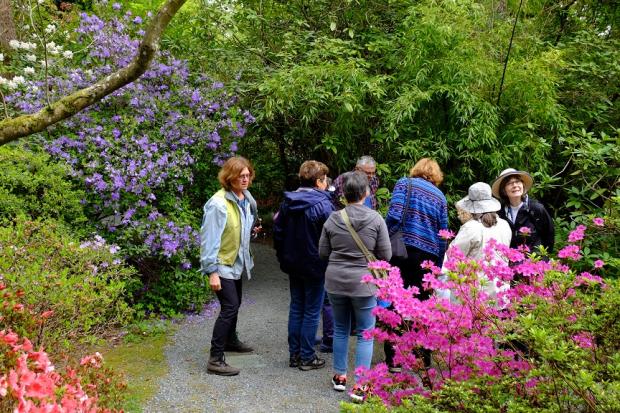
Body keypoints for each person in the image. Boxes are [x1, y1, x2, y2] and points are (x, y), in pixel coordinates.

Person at [319, 171, 392, 401]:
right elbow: (386, 254)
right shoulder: (376, 219)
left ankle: (340, 377)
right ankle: (361, 386)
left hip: (336, 281)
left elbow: (322, 252)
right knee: (365, 334)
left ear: (343, 194)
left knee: (341, 329)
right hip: (365, 284)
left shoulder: (333, 218)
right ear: (366, 192)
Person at [384, 158, 448, 372]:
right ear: (436, 175)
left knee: (397, 303)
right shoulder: (440, 196)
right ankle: (422, 358)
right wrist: (437, 264)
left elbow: (394, 215)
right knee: (422, 306)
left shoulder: (405, 183)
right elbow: (443, 233)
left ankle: (394, 361)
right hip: (427, 256)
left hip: (402, 251)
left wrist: (386, 239)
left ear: (417, 170)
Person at [200, 156, 259, 376]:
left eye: (247, 175)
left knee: (236, 303)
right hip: (221, 264)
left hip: (237, 263)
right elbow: (209, 239)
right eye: (240, 176)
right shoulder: (218, 204)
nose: (245, 179)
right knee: (230, 306)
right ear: (229, 177)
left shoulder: (246, 199)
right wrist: (212, 272)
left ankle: (230, 340)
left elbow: (239, 228)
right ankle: (215, 358)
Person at [273, 160, 335, 371]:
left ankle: (295, 355)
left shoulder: (287, 202)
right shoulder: (324, 205)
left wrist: (283, 257)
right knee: (311, 310)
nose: (326, 183)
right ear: (318, 181)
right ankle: (307, 356)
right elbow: (332, 236)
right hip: (315, 265)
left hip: (293, 263)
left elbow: (278, 232)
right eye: (325, 179)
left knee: (296, 307)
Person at [440, 182, 512, 301]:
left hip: (475, 294)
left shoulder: (471, 227)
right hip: (501, 291)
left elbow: (452, 255)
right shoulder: (504, 225)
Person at [491, 168, 554, 254]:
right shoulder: (500, 213)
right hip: (510, 261)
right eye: (509, 183)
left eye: (517, 182)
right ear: (503, 190)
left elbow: (548, 237)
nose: (515, 185)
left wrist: (543, 258)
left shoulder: (536, 208)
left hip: (533, 261)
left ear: (523, 185)